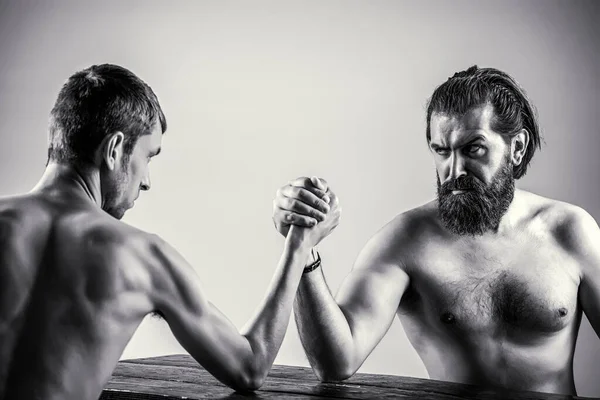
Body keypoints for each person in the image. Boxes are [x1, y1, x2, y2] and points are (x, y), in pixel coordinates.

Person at [0, 64, 341, 400]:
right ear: (115, 149)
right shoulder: (143, 258)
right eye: (148, 157)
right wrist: (300, 245)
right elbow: (249, 366)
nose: (146, 181)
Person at [272, 66, 600, 396]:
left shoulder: (571, 231)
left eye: (474, 148)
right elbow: (335, 363)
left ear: (516, 149)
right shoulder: (405, 242)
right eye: (441, 150)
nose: (454, 171)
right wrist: (304, 249)